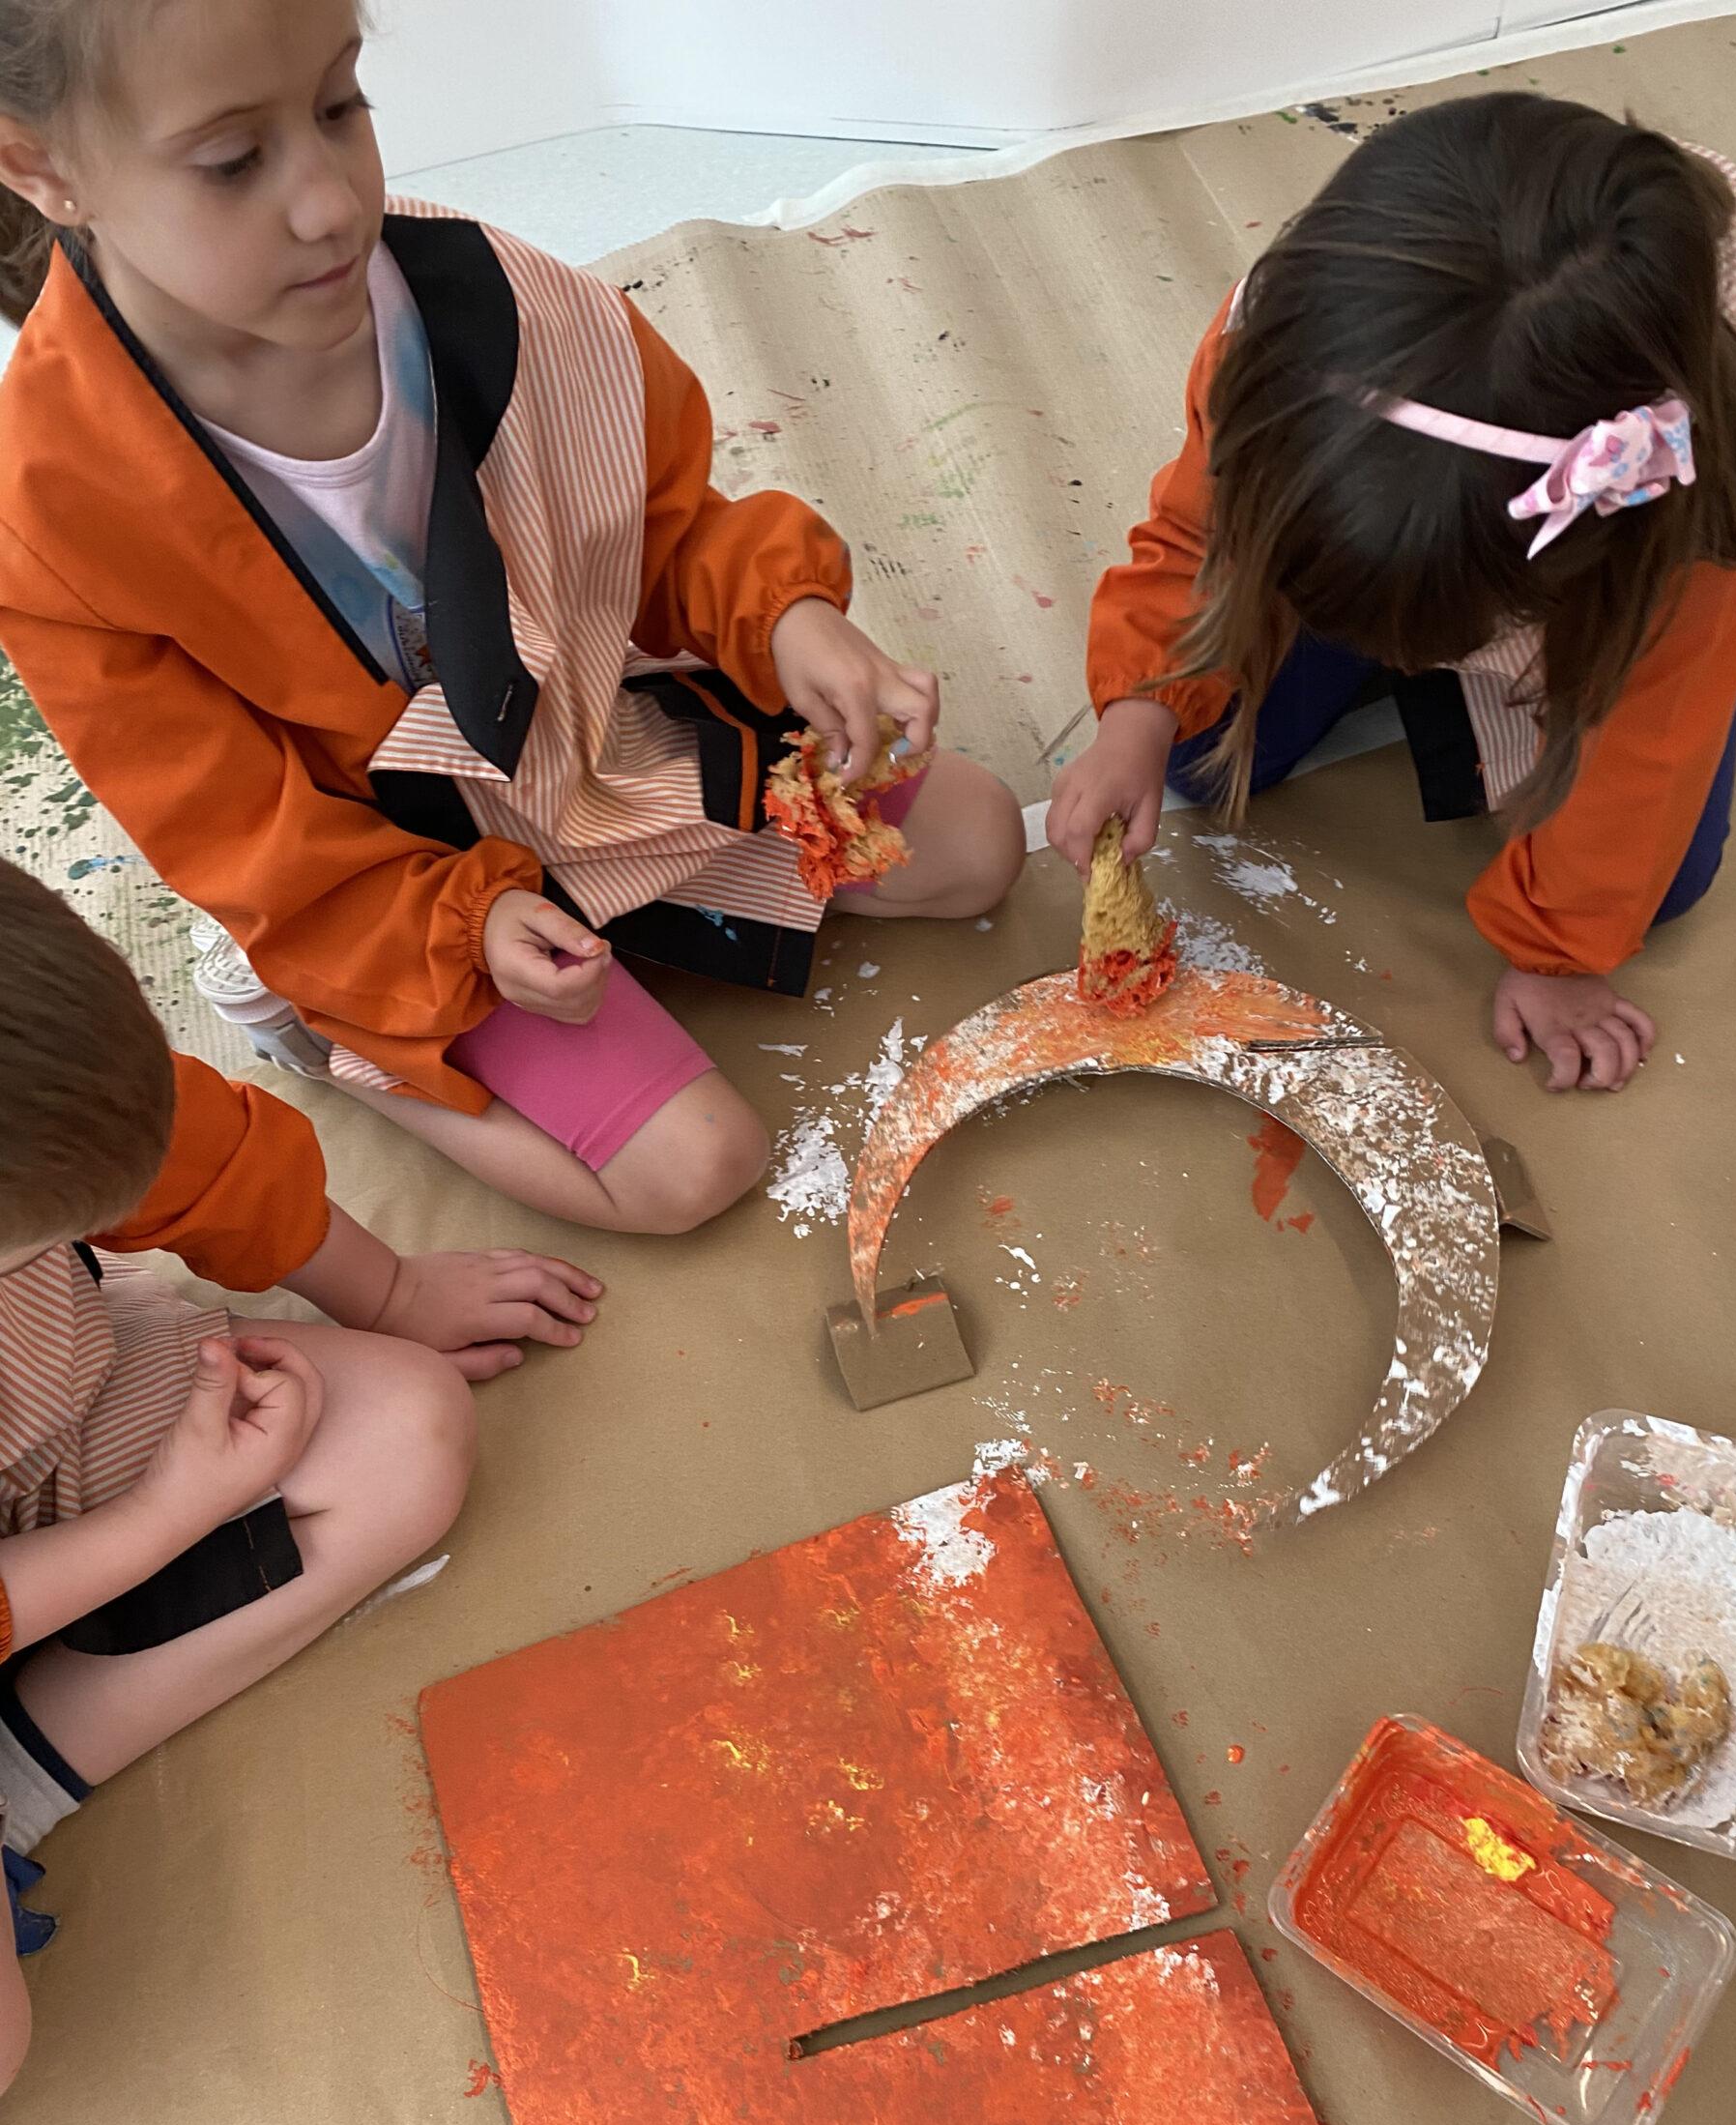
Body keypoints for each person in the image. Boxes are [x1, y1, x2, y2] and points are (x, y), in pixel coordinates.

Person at [0, 0, 1025, 1236]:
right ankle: (319, 1039)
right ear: (39, 167)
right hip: (396, 883)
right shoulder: (55, 516)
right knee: (694, 1168)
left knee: (976, 843)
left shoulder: (491, 298)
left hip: (583, 743)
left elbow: (662, 522)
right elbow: (241, 834)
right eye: (232, 161)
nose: (330, 203)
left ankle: (636, 910)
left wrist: (787, 615)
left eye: (339, 105)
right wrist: (468, 924)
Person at [1051, 95, 1736, 1092]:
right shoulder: (1284, 340)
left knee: (1660, 885)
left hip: (1607, 587)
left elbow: (1656, 723)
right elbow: (1197, 537)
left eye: (1425, 636)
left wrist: (1557, 953)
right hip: (1424, 524)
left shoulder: (1689, 489)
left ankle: (1455, 660)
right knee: (1195, 755)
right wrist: (1141, 707)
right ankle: (1376, 627)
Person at [0, 859, 601, 2098]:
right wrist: (171, 1512)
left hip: (67, 1410)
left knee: (404, 1431)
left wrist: (390, 1289)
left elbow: (194, 1158)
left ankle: (20, 1763)